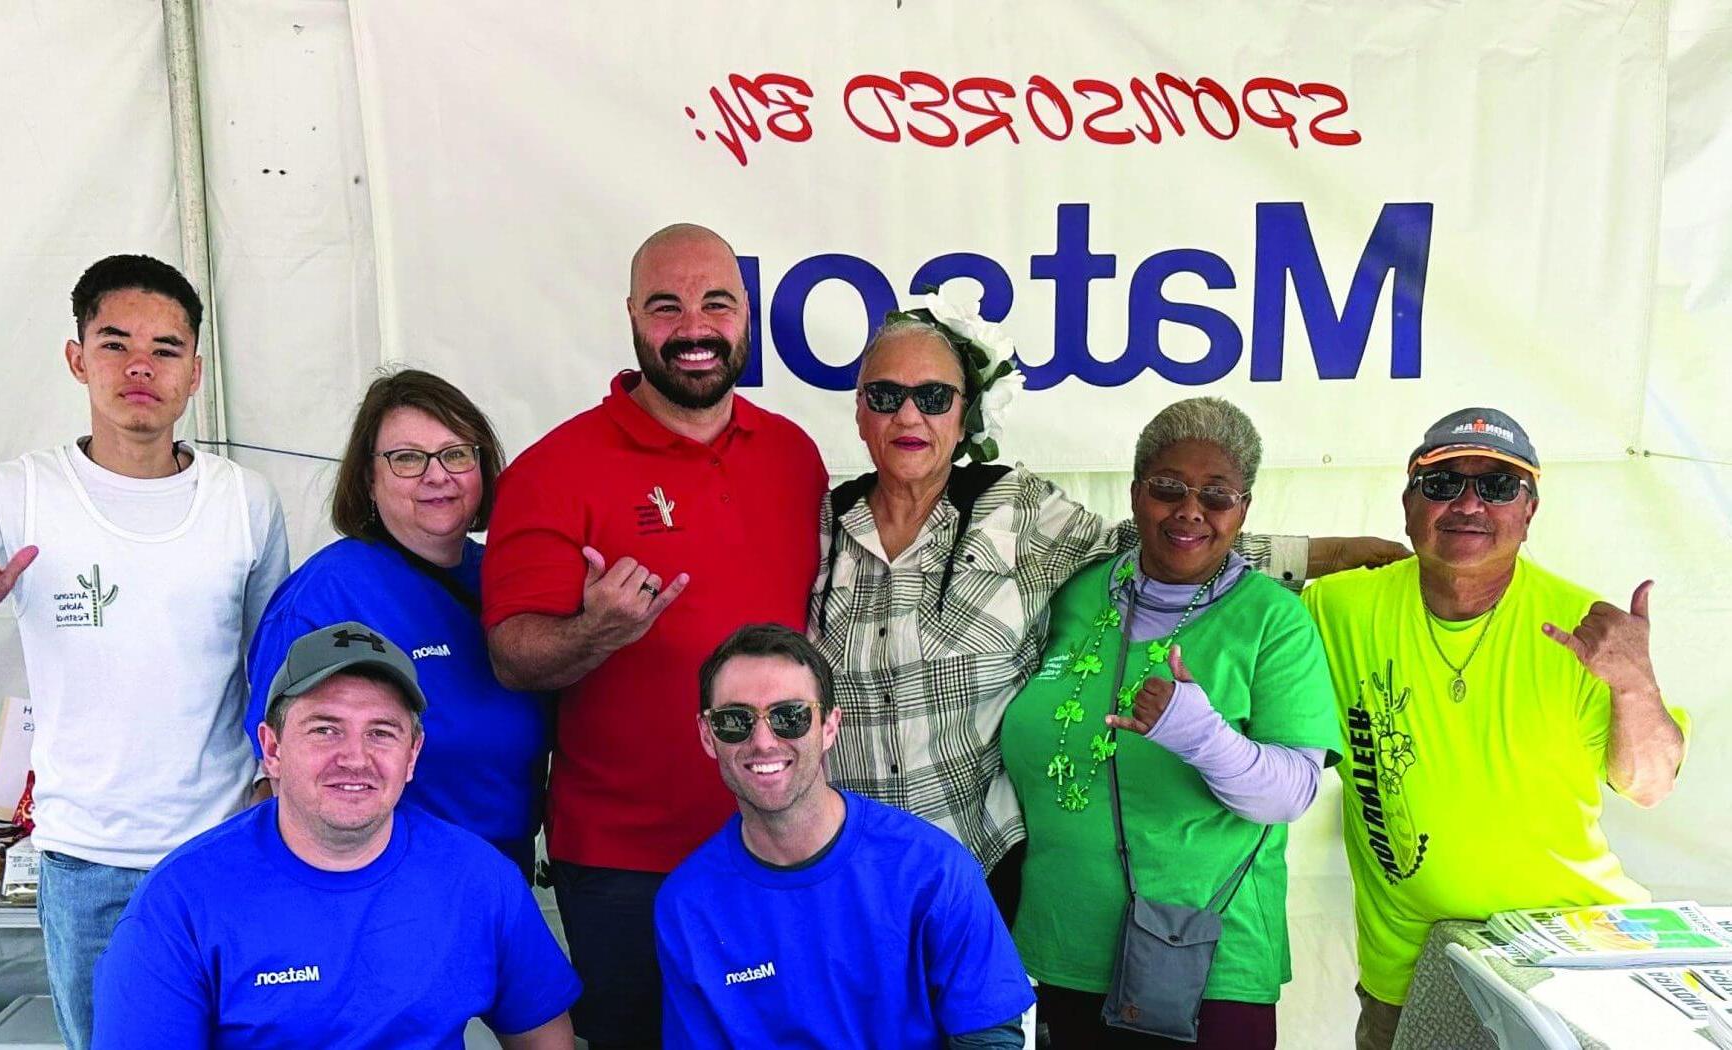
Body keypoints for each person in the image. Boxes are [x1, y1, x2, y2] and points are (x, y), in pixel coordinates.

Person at [812, 307, 1403, 920]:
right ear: (858, 412)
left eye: (934, 396)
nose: (909, 415)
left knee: (972, 1021)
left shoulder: (1016, 508)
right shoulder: (819, 525)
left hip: (977, 865)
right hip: (848, 865)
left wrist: (1326, 554)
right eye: (885, 395)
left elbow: (1159, 537)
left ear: (966, 415)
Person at [0, 255, 289, 1050]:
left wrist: (268, 783)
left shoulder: (243, 502)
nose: (140, 367)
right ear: (77, 358)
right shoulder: (15, 494)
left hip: (225, 849)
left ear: (195, 371)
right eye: (115, 344)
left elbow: (277, 670)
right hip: (87, 865)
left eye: (166, 347)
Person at [481, 223, 828, 1048]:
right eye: (667, 306)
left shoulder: (794, 456)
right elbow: (512, 657)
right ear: (632, 317)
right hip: (626, 865)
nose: (695, 328)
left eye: (716, 303)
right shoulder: (555, 469)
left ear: (747, 315)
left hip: (780, 844)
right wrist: (596, 631)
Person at [1299, 407, 1688, 1050]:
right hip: (1409, 975)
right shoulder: (1335, 607)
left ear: (1529, 510)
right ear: (1408, 503)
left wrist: (1634, 685)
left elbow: (1650, 785)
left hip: (1564, 962)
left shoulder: (1583, 625)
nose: (1468, 504)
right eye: (1443, 482)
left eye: (1499, 486)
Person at [999, 397, 1343, 1048]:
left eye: (1217, 496)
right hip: (1063, 945)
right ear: (1135, 495)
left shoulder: (1274, 619)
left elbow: (1293, 792)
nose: (1190, 511)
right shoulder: (1077, 593)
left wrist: (1200, 735)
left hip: (1203, 957)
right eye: (1167, 489)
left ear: (1244, 511)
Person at [92, 622, 578, 1049]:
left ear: (412, 755)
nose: (354, 758)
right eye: (325, 729)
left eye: (381, 732)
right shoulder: (181, 902)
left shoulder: (478, 877)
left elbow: (542, 1033)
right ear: (273, 748)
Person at [656, 623, 1034, 1049]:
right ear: (708, 735)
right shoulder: (686, 903)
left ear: (829, 726)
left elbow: (990, 1037)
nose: (763, 741)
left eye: (789, 717)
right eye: (734, 721)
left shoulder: (933, 869)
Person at [244, 369, 549, 876]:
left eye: (456, 454)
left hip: (503, 879)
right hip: (387, 884)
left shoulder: (506, 578)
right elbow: (279, 780)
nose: (437, 476)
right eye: (407, 458)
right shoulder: (327, 596)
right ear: (368, 477)